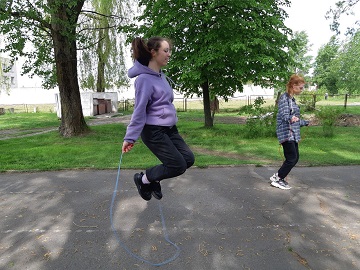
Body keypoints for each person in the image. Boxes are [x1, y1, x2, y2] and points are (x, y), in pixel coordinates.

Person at [122, 36, 195, 201]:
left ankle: (151, 179)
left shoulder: (161, 76)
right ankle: (143, 179)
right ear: (153, 53)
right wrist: (130, 137)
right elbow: (139, 110)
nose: (169, 54)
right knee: (177, 165)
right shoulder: (144, 80)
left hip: (169, 129)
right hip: (153, 131)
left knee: (188, 159)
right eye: (165, 50)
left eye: (169, 50)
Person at [270, 74, 309, 190]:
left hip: (293, 133)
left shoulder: (292, 99)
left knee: (294, 158)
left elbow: (294, 119)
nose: (302, 90)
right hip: (287, 133)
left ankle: (277, 177)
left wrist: (305, 122)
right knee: (292, 158)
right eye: (300, 88)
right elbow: (284, 115)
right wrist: (291, 118)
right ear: (293, 85)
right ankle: (278, 179)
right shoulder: (284, 98)